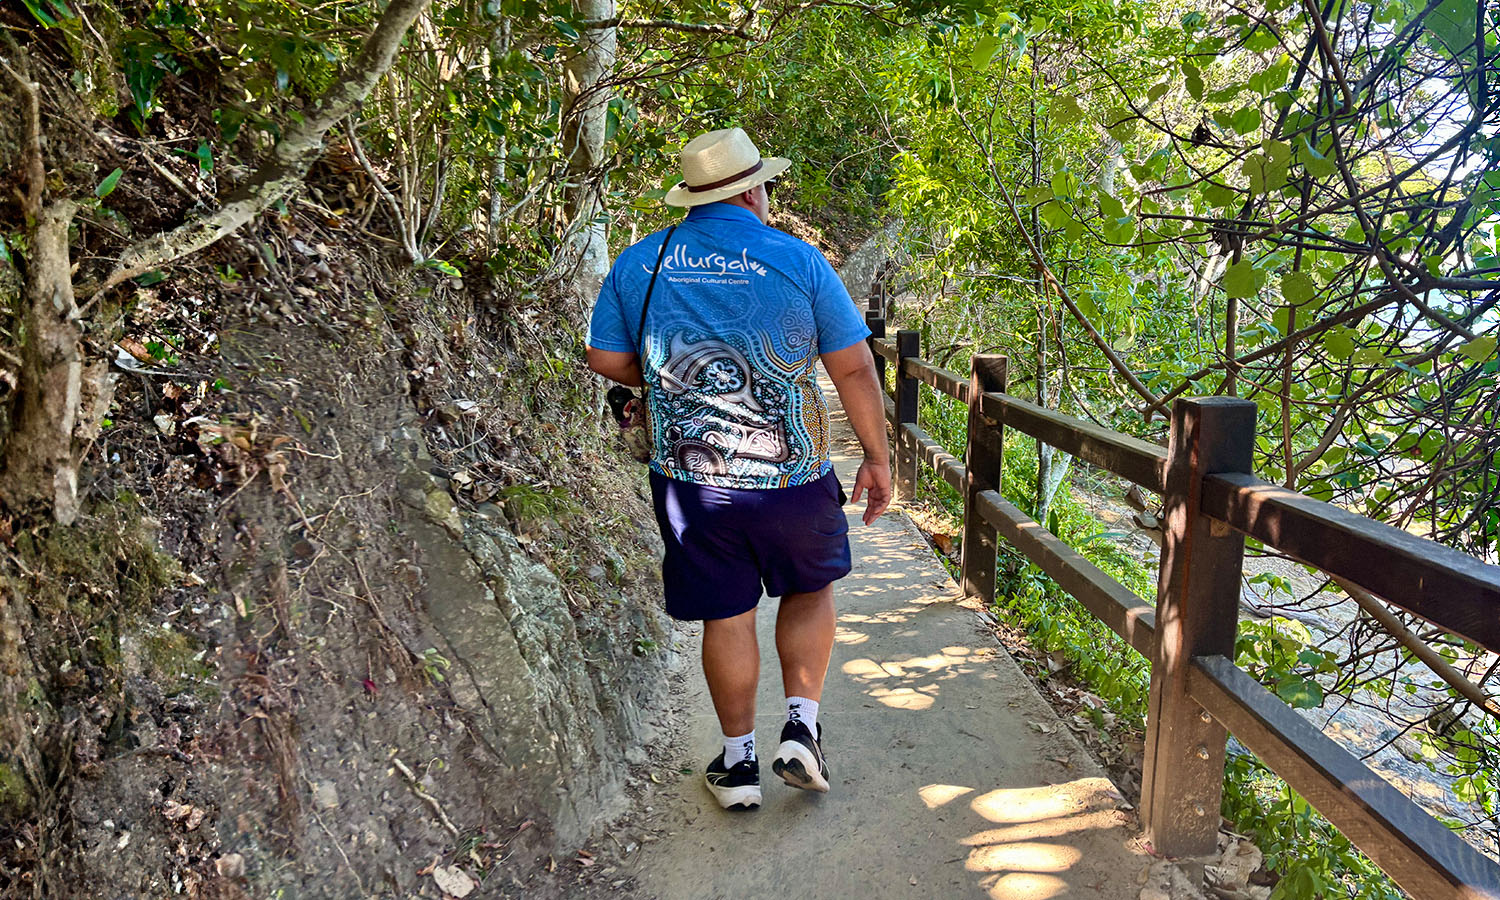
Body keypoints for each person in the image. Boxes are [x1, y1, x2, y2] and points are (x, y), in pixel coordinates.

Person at [585, 127, 891, 811]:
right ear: (753, 190)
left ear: (693, 196)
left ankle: (738, 764)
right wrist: (876, 457)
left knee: (726, 615)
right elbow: (852, 367)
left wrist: (669, 378)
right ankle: (802, 732)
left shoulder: (642, 262)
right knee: (808, 591)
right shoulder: (798, 259)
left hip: (693, 483)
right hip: (794, 475)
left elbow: (605, 358)